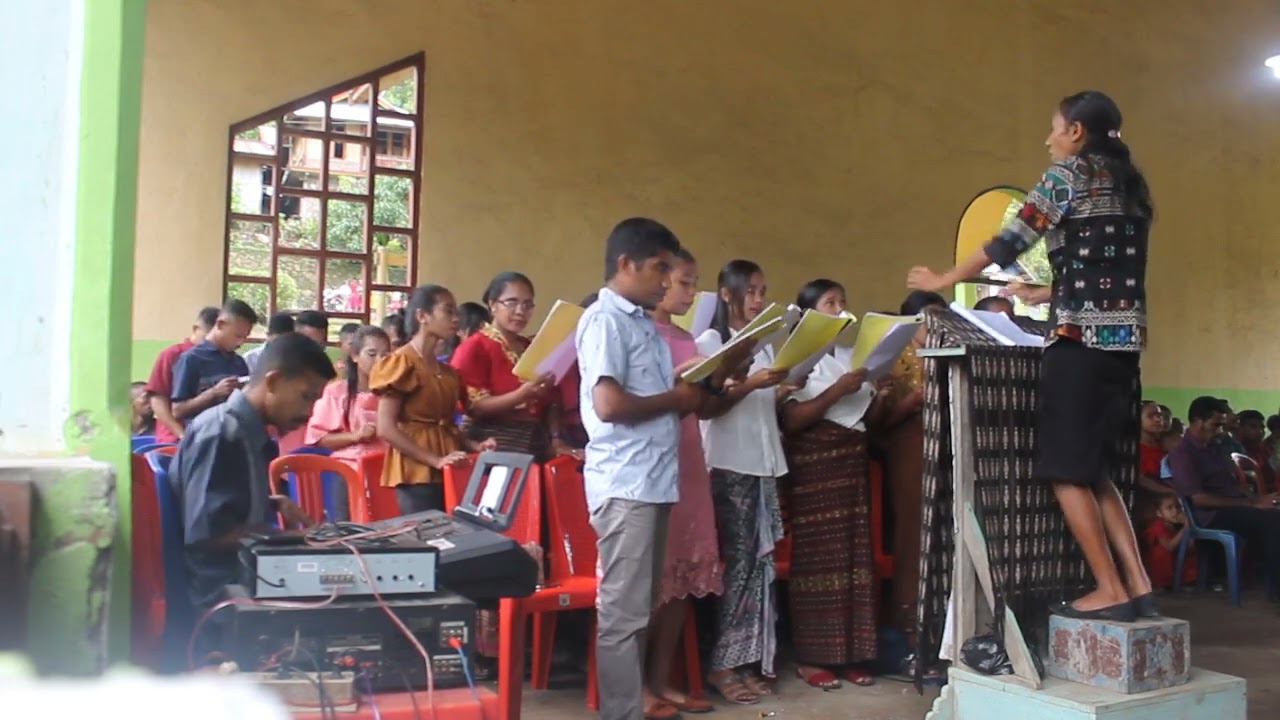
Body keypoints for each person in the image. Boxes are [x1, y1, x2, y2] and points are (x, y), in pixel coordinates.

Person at [908, 90, 1156, 621]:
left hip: (1078, 343)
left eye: (1055, 128)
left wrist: (944, 279)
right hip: (1122, 347)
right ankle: (1136, 583)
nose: (1049, 139)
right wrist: (1049, 292)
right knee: (1095, 469)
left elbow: (1009, 242)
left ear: (1077, 133)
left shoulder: (1070, 174)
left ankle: (1109, 588)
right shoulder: (1132, 187)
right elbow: (1106, 266)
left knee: (1066, 472)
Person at [577, 217, 742, 720]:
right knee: (622, 614)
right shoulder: (605, 320)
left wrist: (698, 385)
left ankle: (629, 705)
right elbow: (608, 404)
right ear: (626, 264)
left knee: (639, 606)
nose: (667, 280)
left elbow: (652, 394)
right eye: (659, 268)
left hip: (654, 479)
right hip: (626, 483)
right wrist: (678, 396)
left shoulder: (641, 323)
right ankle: (621, 713)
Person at [171, 332, 332, 617]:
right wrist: (292, 538)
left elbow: (223, 506)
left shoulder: (247, 430)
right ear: (272, 381)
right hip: (223, 598)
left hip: (243, 578)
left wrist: (268, 502)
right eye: (305, 397)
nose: (309, 412)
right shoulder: (222, 432)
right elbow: (207, 535)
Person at [696, 259, 791, 701]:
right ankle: (721, 664)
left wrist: (782, 387)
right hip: (730, 464)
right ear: (728, 294)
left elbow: (761, 407)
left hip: (764, 461)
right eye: (751, 291)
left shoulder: (765, 345)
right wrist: (752, 384)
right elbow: (710, 407)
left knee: (759, 568)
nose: (758, 300)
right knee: (736, 567)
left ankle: (749, 659)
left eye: (763, 291)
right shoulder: (712, 342)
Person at [781, 278, 880, 689]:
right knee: (819, 561)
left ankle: (852, 653)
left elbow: (865, 422)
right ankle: (812, 657)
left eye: (843, 302)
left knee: (855, 561)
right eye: (829, 303)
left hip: (851, 463)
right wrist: (838, 391)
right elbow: (792, 420)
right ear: (808, 315)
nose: (840, 310)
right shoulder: (798, 359)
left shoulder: (851, 356)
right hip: (816, 469)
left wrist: (881, 393)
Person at [644, 249, 722, 716]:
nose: (691, 294)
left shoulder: (687, 337)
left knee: (682, 578)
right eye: (685, 283)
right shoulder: (635, 335)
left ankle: (661, 678)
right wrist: (674, 384)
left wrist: (723, 378)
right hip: (651, 462)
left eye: (695, 285)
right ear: (660, 280)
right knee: (648, 582)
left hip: (690, 457)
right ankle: (636, 685)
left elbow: (703, 409)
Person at [371, 285, 497, 514]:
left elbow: (446, 426)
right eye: (448, 311)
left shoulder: (448, 372)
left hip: (448, 467)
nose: (455, 318)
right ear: (422, 316)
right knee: (427, 539)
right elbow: (386, 429)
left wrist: (474, 446)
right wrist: (435, 460)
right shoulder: (400, 363)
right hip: (414, 470)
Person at [874, 289, 945, 677]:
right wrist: (914, 399)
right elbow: (877, 423)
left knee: (939, 544)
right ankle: (911, 636)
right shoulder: (895, 360)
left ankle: (942, 633)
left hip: (943, 458)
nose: (936, 328)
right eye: (929, 319)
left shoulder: (948, 356)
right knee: (913, 544)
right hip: (908, 456)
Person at [1169, 396, 1280, 602]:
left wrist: (1259, 499)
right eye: (1216, 425)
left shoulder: (1216, 447)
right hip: (1211, 515)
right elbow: (1198, 499)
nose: (1221, 430)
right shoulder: (1183, 453)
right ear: (1197, 421)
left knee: (1274, 511)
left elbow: (1235, 485)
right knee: (1274, 522)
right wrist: (1253, 504)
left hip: (1234, 506)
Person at [450, 272, 559, 459]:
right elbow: (475, 406)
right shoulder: (474, 348)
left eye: (527, 305)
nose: (520, 311)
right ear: (493, 305)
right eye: (511, 302)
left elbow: (551, 402)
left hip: (533, 441)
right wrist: (521, 395)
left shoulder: (530, 347)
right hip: (491, 442)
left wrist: (556, 438)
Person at [304, 326, 392, 520]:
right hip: (348, 472)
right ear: (354, 356)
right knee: (347, 529)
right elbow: (319, 438)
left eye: (385, 355)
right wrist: (356, 436)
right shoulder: (337, 392)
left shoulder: (394, 393)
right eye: (372, 354)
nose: (379, 361)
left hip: (388, 471)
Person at [171, 300, 258, 425]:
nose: (240, 343)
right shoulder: (191, 359)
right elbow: (177, 410)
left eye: (245, 337)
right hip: (203, 438)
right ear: (220, 324)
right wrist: (214, 392)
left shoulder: (239, 362)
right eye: (237, 336)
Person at [146, 306, 219, 443]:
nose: (211, 341)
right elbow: (157, 400)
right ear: (196, 329)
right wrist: (181, 434)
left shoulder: (220, 358)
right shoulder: (172, 355)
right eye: (207, 336)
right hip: (174, 439)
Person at [1141, 495, 1196, 591]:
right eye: (1169, 508)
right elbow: (1170, 546)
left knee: (1192, 554)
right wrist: (1184, 529)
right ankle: (1160, 584)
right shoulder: (1158, 526)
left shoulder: (1177, 526)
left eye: (1178, 507)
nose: (1175, 511)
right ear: (1159, 513)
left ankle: (1184, 580)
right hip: (1158, 564)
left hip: (1174, 560)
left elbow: (1191, 547)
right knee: (1160, 552)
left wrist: (1189, 528)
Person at [1137, 400, 1175, 522]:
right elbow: (1142, 480)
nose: (1158, 419)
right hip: (1150, 505)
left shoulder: (1166, 446)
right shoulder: (1136, 449)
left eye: (1159, 415)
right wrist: (1171, 491)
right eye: (1151, 416)